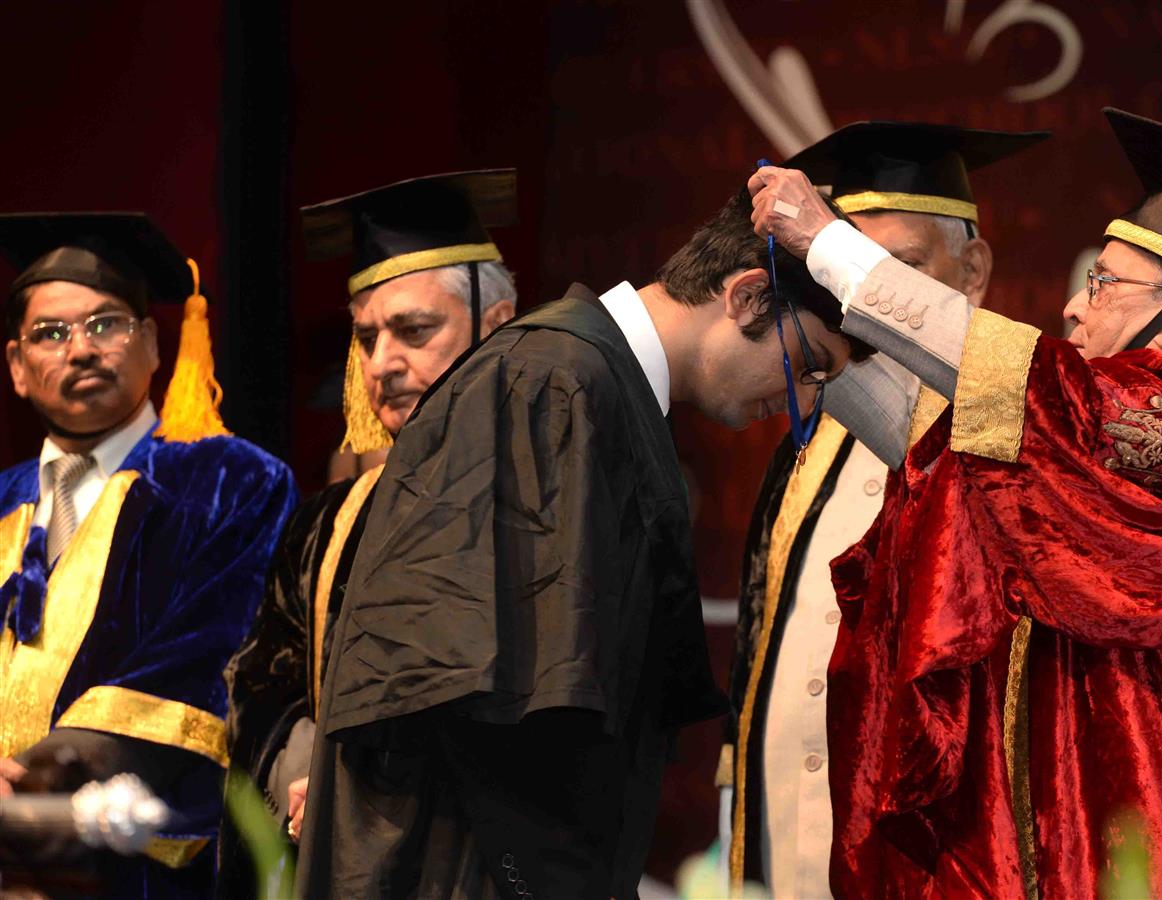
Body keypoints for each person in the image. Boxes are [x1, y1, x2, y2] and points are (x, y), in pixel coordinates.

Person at [749, 108, 1162, 897]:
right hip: (1079, 828)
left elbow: (1033, 393)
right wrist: (820, 349)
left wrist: (829, 245)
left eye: (1104, 284)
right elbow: (949, 443)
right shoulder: (1099, 433)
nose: (1074, 305)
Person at [295, 182, 872, 899]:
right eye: (809, 362)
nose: (807, 400)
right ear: (748, 296)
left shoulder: (593, 384)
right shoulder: (553, 383)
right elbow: (472, 700)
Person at [724, 121, 1047, 897]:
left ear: (972, 269)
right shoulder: (808, 449)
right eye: (835, 273)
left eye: (891, 270)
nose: (855, 303)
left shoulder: (1029, 436)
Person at [218, 170, 519, 893]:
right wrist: (313, 775)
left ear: (498, 324)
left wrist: (366, 789)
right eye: (366, 337)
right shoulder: (329, 518)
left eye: (415, 330)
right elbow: (262, 683)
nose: (382, 363)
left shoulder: (547, 492)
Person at [0, 213, 296, 897]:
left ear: (157, 344)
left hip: (133, 863)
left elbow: (203, 656)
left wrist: (40, 771)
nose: (80, 350)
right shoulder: (4, 500)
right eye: (50, 333)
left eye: (106, 324)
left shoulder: (229, 482)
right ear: (17, 367)